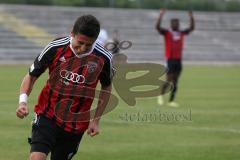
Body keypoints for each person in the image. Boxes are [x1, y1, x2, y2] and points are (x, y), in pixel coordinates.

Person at [16, 15, 114, 160]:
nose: (82, 49)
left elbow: (106, 87)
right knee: (36, 157)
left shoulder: (103, 58)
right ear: (72, 34)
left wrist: (96, 120)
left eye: (89, 45)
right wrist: (23, 101)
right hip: (47, 114)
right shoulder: (56, 47)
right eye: (79, 43)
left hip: (76, 124)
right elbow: (32, 75)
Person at [155, 9, 195, 107]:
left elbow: (191, 28)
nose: (176, 25)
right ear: (171, 24)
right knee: (168, 80)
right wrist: (160, 15)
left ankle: (171, 101)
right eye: (174, 23)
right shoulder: (167, 32)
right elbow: (157, 27)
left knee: (175, 81)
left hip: (178, 60)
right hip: (170, 59)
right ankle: (160, 95)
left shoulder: (181, 33)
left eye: (177, 23)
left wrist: (191, 17)